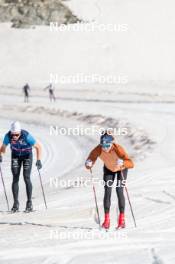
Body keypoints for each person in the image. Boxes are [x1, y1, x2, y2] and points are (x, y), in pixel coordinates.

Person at [85, 131, 134, 229]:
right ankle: (106, 221)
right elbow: (90, 159)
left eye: (107, 146)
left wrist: (123, 162)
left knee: (119, 190)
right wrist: (88, 164)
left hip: (121, 169)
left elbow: (131, 163)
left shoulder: (118, 148)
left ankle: (121, 220)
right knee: (107, 191)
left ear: (111, 143)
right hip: (108, 169)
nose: (105, 148)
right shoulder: (98, 149)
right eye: (103, 146)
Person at [0, 121, 42, 212]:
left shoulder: (26, 136)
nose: (14, 136)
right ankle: (15, 203)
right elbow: (3, 147)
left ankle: (29, 203)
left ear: (20, 132)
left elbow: (38, 147)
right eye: (13, 134)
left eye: (17, 134)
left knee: (26, 177)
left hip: (27, 156)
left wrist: (38, 160)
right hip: (15, 156)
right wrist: (1, 154)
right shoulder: (8, 136)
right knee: (15, 178)